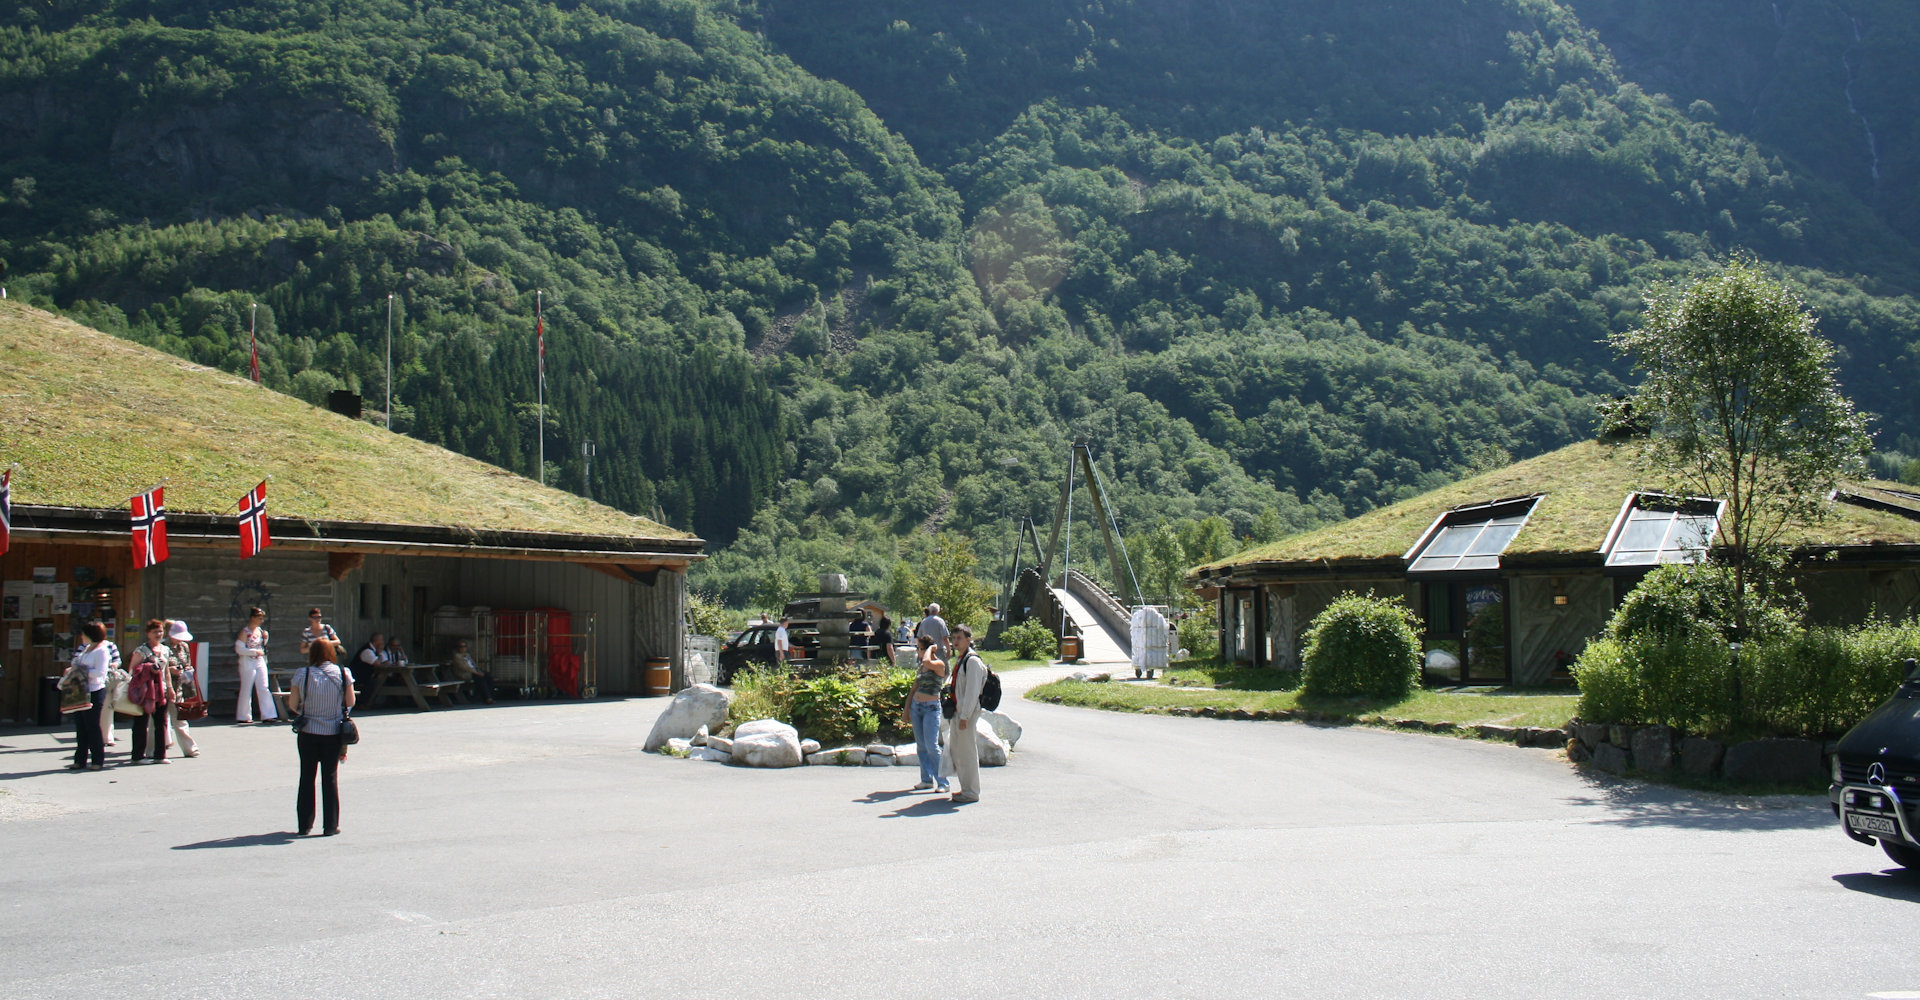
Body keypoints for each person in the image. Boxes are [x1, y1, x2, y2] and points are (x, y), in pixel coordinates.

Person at [287, 639, 354, 836]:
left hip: (308, 731)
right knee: (330, 778)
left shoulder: (303, 674)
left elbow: (293, 704)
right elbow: (350, 701)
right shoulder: (343, 673)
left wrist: (307, 708)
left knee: (307, 777)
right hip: (333, 731)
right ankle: (331, 826)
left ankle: (304, 825)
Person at [944, 624, 986, 803]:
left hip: (965, 714)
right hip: (957, 712)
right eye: (953, 639)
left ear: (969, 639)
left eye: (959, 638)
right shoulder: (961, 659)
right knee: (959, 752)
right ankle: (965, 789)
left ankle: (971, 791)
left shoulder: (973, 661)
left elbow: (972, 692)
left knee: (967, 753)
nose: (955, 642)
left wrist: (965, 717)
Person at [125, 620, 174, 763]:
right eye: (155, 632)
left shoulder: (165, 650)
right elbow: (132, 670)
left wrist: (170, 688)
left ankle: (160, 755)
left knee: (161, 723)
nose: (158, 634)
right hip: (145, 692)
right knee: (141, 723)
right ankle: (138, 756)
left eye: (160, 631)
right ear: (148, 634)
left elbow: (166, 672)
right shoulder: (142, 650)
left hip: (161, 691)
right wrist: (148, 668)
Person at [65, 621, 111, 770]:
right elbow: (75, 662)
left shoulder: (102, 651)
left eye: (84, 634)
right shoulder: (86, 650)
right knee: (80, 725)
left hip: (94, 690)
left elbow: (99, 673)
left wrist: (80, 672)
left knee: (92, 726)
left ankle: (97, 759)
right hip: (80, 690)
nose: (82, 637)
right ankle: (80, 759)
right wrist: (73, 670)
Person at [906, 635, 948, 792]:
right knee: (921, 746)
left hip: (931, 708)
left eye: (921, 648)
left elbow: (927, 661)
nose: (919, 651)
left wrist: (930, 649)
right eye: (918, 648)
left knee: (932, 746)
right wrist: (906, 710)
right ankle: (926, 779)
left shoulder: (937, 664)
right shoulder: (922, 667)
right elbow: (913, 690)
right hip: (917, 707)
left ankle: (943, 782)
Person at [162, 620, 200, 758]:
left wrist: (187, 669)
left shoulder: (184, 647)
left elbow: (187, 663)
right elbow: (159, 666)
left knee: (180, 719)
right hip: (163, 687)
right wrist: (170, 670)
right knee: (159, 720)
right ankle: (157, 748)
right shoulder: (162, 647)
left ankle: (190, 748)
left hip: (179, 688)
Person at [233, 607, 277, 724]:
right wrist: (253, 652)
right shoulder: (245, 632)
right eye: (259, 618)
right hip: (247, 660)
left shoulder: (261, 632)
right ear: (252, 618)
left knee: (263, 686)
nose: (261, 620)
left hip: (260, 660)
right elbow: (239, 649)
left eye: (262, 618)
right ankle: (244, 715)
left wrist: (265, 638)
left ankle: (268, 714)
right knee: (247, 687)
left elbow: (262, 645)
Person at [446, 639, 494, 703]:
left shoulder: (467, 655)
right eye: (461, 647)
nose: (463, 648)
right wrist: (477, 673)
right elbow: (464, 668)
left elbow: (473, 664)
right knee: (480, 678)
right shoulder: (457, 656)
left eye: (464, 646)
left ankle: (489, 695)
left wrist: (479, 671)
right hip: (465, 673)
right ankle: (487, 698)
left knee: (488, 676)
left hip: (474, 671)